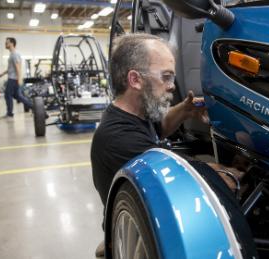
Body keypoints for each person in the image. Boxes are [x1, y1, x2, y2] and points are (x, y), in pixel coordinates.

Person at [91, 33, 247, 257]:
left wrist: (186, 109)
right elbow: (202, 181)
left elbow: (160, 126)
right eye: (166, 77)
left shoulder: (136, 112)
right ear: (135, 80)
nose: (172, 86)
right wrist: (237, 171)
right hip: (142, 232)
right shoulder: (118, 137)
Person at [0, 37, 32, 119]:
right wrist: (2, 74)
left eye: (7, 42)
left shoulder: (15, 54)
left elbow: (18, 67)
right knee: (19, 97)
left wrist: (19, 79)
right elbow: (11, 68)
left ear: (12, 43)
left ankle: (9, 113)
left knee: (7, 95)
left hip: (13, 79)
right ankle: (34, 107)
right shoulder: (12, 54)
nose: (5, 44)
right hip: (13, 78)